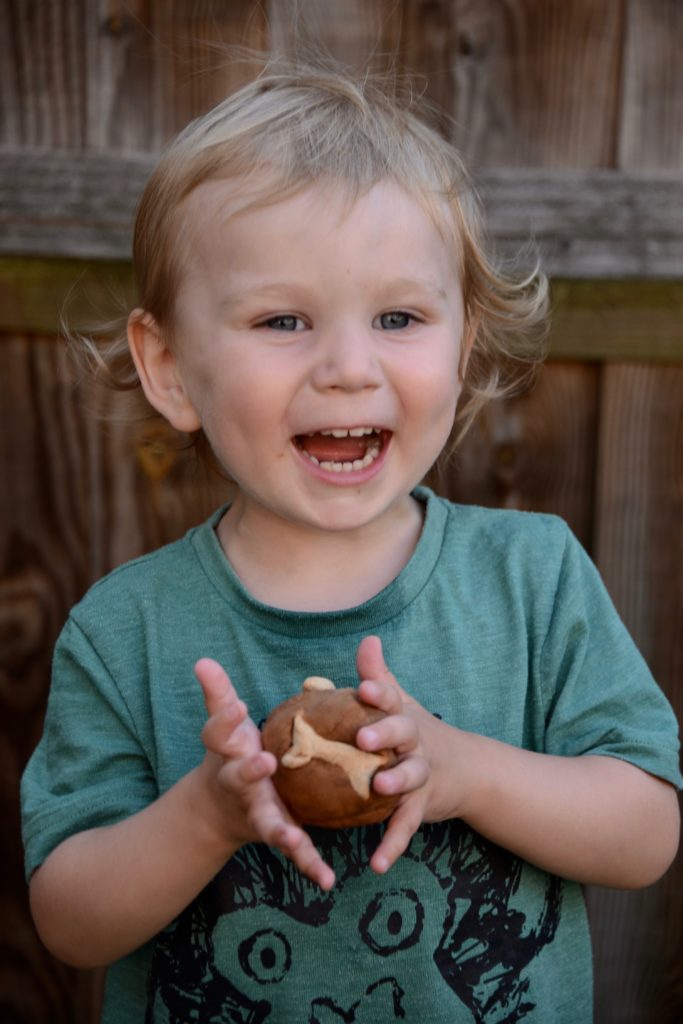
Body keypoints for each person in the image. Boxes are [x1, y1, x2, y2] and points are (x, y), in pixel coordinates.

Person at [22, 59, 681, 1024]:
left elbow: (645, 834)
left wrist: (463, 771)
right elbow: (70, 924)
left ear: (461, 348)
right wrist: (204, 817)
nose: (345, 367)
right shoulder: (126, 629)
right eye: (283, 319)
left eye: (398, 317)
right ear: (168, 367)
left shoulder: (532, 579)